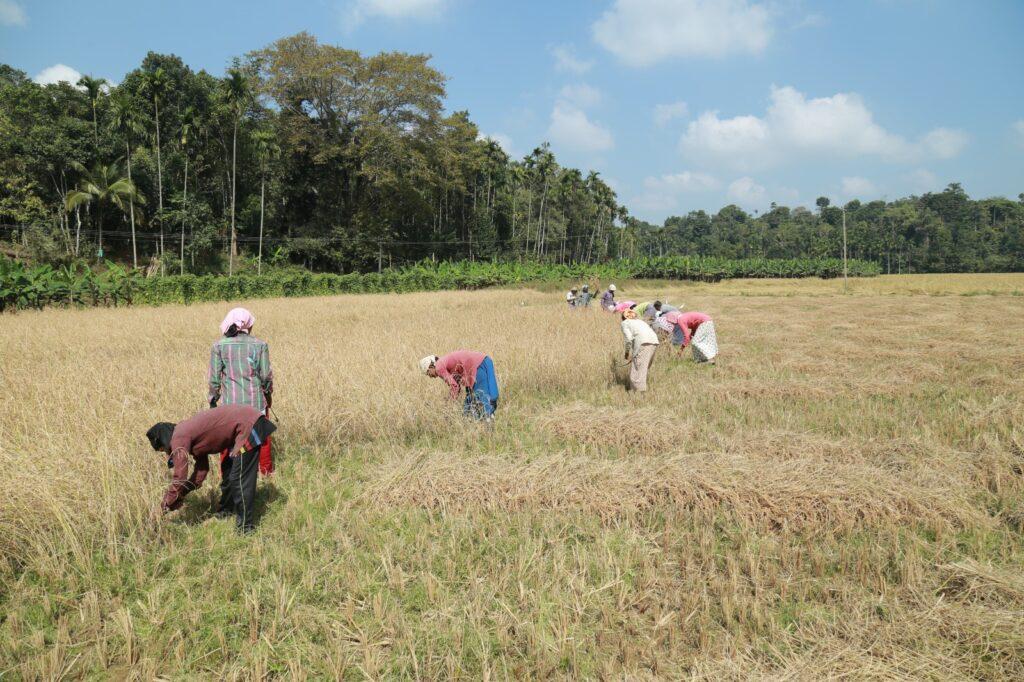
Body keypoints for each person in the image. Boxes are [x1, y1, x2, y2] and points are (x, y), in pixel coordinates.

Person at [146, 404, 276, 533]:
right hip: (246, 423)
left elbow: (179, 477)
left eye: (162, 450)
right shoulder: (184, 433)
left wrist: (165, 505)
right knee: (228, 471)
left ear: (163, 441)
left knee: (238, 477)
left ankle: (245, 528)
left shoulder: (179, 439)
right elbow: (201, 471)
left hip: (249, 425)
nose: (166, 453)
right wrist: (181, 493)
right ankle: (227, 511)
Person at [208, 308, 274, 486]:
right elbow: (266, 377)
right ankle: (266, 474)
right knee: (262, 439)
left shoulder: (219, 347)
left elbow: (214, 381)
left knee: (228, 442)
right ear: (247, 325)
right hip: (256, 404)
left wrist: (213, 402)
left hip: (230, 407)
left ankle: (228, 477)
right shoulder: (260, 345)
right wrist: (268, 396)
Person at [420, 350, 499, 420]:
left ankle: (487, 425)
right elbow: (457, 385)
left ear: (430, 366)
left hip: (477, 366)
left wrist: (449, 404)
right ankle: (483, 421)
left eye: (428, 373)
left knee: (483, 401)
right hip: (485, 361)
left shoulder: (438, 368)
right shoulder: (443, 362)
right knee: (490, 397)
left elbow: (455, 387)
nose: (430, 377)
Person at [620, 308, 659, 392]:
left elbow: (628, 339)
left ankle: (637, 393)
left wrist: (627, 353)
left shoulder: (624, 323)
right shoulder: (640, 321)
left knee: (638, 369)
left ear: (624, 317)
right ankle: (639, 390)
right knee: (643, 368)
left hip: (643, 343)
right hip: (654, 342)